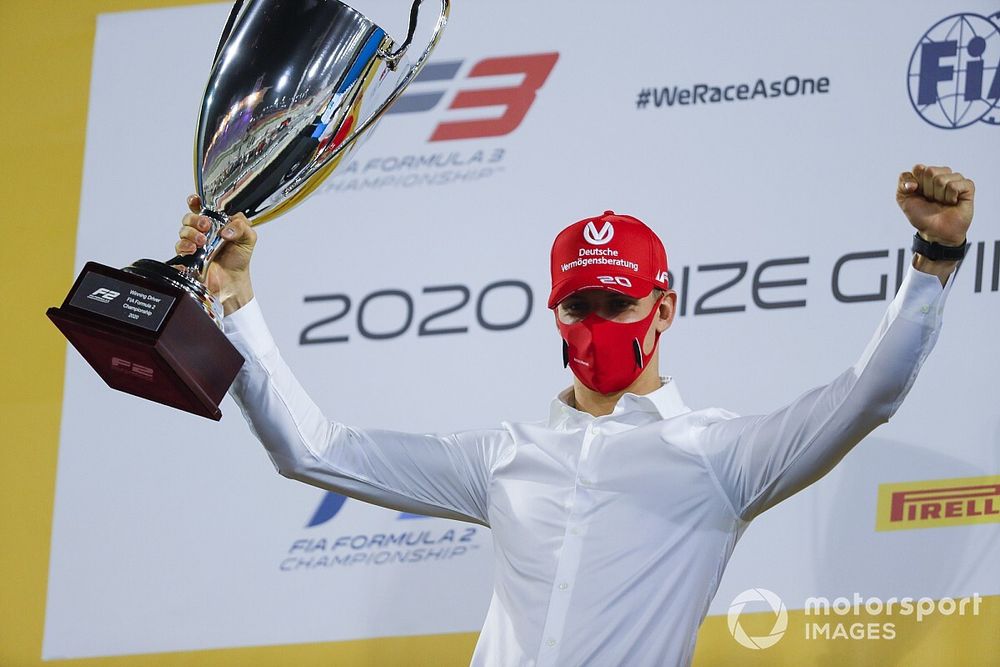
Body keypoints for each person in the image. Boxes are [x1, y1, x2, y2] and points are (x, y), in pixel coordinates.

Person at [176, 164, 973, 666]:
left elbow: (865, 394)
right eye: (576, 305)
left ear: (663, 308)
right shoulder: (502, 458)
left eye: (614, 303)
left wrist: (932, 263)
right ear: (554, 313)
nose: (595, 323)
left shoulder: (718, 458)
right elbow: (309, 450)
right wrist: (237, 300)